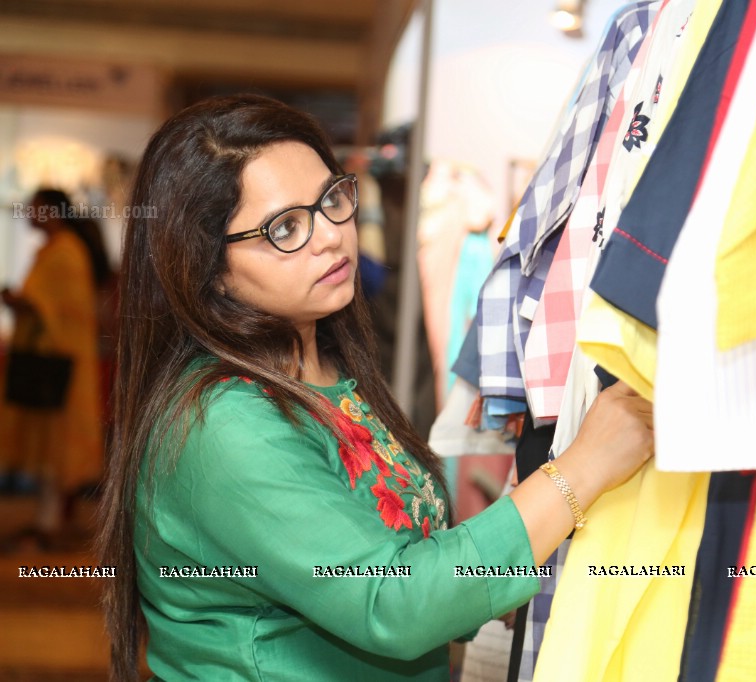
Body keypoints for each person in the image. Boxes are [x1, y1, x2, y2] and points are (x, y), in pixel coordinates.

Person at [96, 95, 654, 681]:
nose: (331, 236)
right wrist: (581, 469)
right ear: (206, 268)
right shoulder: (222, 423)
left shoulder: (326, 369)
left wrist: (508, 575)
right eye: (285, 227)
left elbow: (398, 557)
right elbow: (392, 601)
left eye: (332, 199)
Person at [0, 188, 105, 543]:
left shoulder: (65, 252)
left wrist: (19, 301)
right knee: (47, 438)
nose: (29, 214)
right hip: (50, 357)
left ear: (52, 212)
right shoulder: (52, 250)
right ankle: (49, 520)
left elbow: (50, 306)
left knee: (58, 439)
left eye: (35, 208)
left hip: (59, 361)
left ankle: (52, 522)